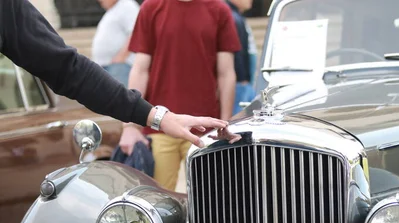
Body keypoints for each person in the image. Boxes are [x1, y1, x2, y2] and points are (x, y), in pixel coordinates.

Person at [0, 0, 229, 148]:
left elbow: (68, 69)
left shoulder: (217, 9)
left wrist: (157, 117)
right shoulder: (151, 8)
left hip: (186, 117)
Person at [121, 0, 241, 191]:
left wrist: (224, 122)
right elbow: (140, 69)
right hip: (157, 124)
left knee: (207, 200)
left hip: (204, 128)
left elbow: (226, 73)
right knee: (157, 202)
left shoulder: (219, 10)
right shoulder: (151, 7)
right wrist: (129, 126)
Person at [91, 0, 140, 86]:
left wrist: (121, 57)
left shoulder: (127, 6)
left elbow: (136, 32)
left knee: (119, 98)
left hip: (120, 66)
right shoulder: (112, 10)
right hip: (107, 66)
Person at [226, 0, 257, 115]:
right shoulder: (232, 17)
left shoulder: (236, 16)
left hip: (242, 81)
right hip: (239, 82)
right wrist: (242, 78)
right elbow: (236, 51)